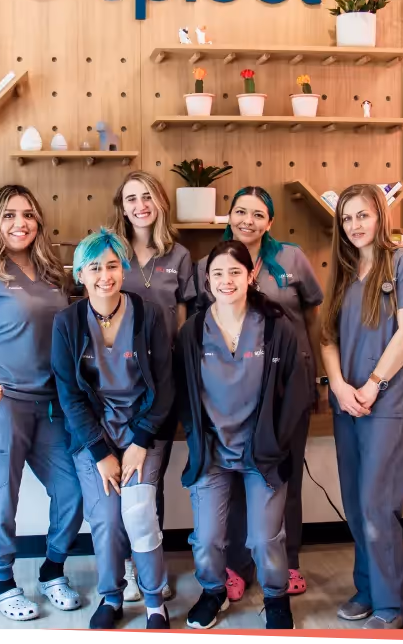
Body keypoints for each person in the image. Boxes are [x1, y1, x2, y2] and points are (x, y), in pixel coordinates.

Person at [0, 184, 84, 622]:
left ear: (38, 221)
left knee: (73, 489)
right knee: (2, 495)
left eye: (27, 214)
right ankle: (2, 582)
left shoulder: (52, 271)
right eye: (8, 215)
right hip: (0, 399)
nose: (19, 223)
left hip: (49, 402)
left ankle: (53, 570)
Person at [175, 240, 311, 630]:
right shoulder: (193, 331)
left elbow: (296, 390)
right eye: (217, 273)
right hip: (212, 452)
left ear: (251, 276)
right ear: (207, 280)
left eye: (235, 272)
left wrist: (275, 441)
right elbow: (182, 391)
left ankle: (275, 597)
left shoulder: (275, 326)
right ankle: (212, 591)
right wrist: (197, 436)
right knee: (207, 538)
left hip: (262, 452)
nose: (226, 280)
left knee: (266, 538)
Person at [194, 186, 322, 601]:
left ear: (270, 222)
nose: (247, 220)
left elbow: (312, 315)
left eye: (257, 214)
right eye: (240, 211)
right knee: (231, 481)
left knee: (284, 475)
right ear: (228, 216)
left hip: (288, 385)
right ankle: (238, 564)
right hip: (232, 391)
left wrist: (313, 369)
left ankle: (288, 561)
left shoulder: (291, 258)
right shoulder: (209, 264)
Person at [320, 183, 403, 630]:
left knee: (377, 503)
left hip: (384, 402)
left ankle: (392, 605)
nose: (355, 225)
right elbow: (327, 337)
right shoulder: (344, 271)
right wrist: (339, 385)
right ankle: (367, 589)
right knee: (355, 502)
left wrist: (372, 385)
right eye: (347, 218)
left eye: (363, 215)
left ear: (381, 216)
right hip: (347, 402)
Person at [51, 228, 174, 630]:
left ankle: (155, 603)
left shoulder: (149, 315)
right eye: (94, 268)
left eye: (112, 266)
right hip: (95, 437)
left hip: (142, 430)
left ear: (123, 269)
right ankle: (111, 596)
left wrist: (141, 441)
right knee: (105, 517)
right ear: (80, 275)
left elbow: (165, 386)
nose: (105, 275)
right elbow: (70, 396)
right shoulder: (67, 323)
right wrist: (101, 452)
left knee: (138, 513)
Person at [111, 170, 196, 602]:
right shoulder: (111, 251)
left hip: (162, 382)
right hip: (116, 382)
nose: (140, 205)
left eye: (147, 196)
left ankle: (150, 567)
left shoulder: (179, 255)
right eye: (131, 199)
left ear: (160, 202)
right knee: (119, 476)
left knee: (150, 478)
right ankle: (124, 565)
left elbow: (182, 321)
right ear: (122, 207)